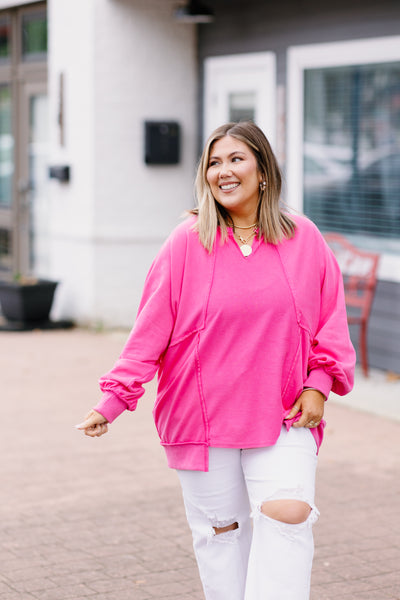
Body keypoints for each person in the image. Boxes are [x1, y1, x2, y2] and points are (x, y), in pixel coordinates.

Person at [76, 121, 355, 600]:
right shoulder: (187, 241)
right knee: (221, 537)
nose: (223, 171)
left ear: (263, 170)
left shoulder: (302, 237)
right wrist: (114, 400)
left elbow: (330, 318)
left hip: (285, 412)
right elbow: (150, 330)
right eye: (213, 162)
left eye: (235, 159)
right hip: (201, 419)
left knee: (288, 515)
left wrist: (319, 383)